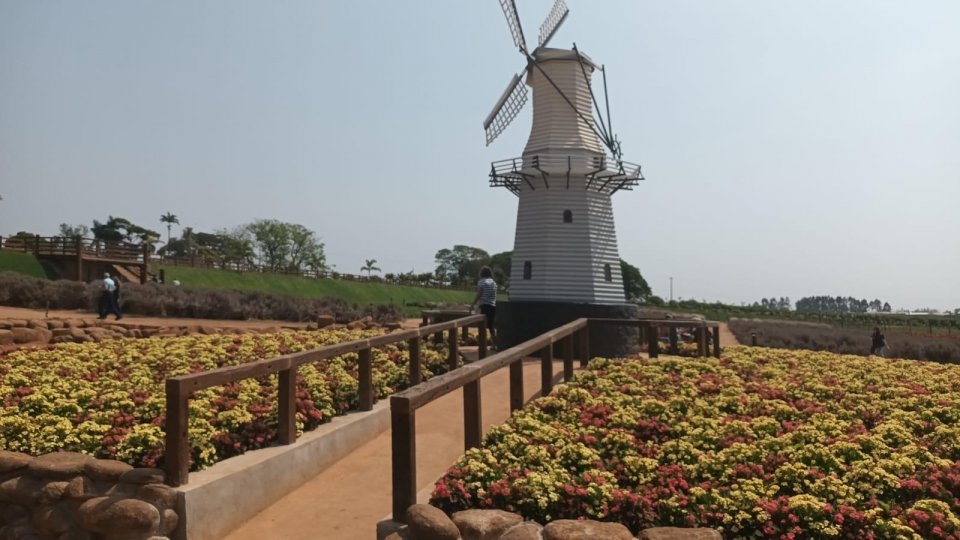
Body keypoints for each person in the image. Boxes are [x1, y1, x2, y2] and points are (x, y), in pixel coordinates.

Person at [469, 266, 497, 347]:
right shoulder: (493, 283)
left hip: (484, 306)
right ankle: (495, 344)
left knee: (482, 326)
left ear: (482, 273)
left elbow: (479, 294)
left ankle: (482, 344)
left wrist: (472, 304)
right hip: (492, 306)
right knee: (491, 326)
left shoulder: (481, 281)